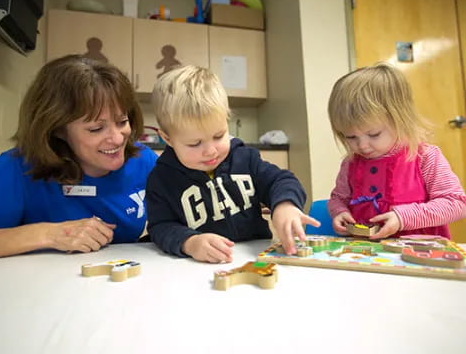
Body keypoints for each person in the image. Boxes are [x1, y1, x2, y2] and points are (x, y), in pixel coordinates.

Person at [0, 55, 157, 259]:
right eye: (96, 129)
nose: (118, 139)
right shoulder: (15, 169)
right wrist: (49, 234)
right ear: (57, 129)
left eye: (122, 121)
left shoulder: (143, 160)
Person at [146, 65, 319, 263]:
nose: (210, 151)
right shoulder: (161, 179)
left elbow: (281, 180)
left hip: (255, 258)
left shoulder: (245, 159)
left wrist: (285, 205)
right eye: (195, 143)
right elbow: (161, 226)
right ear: (167, 139)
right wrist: (190, 242)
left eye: (219, 135)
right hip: (197, 267)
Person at [327, 63, 466, 240]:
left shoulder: (425, 156)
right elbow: (338, 198)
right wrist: (339, 212)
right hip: (366, 253)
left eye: (374, 134)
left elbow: (457, 204)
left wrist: (403, 217)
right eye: (350, 137)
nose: (362, 146)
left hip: (418, 256)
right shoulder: (351, 163)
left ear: (400, 118)